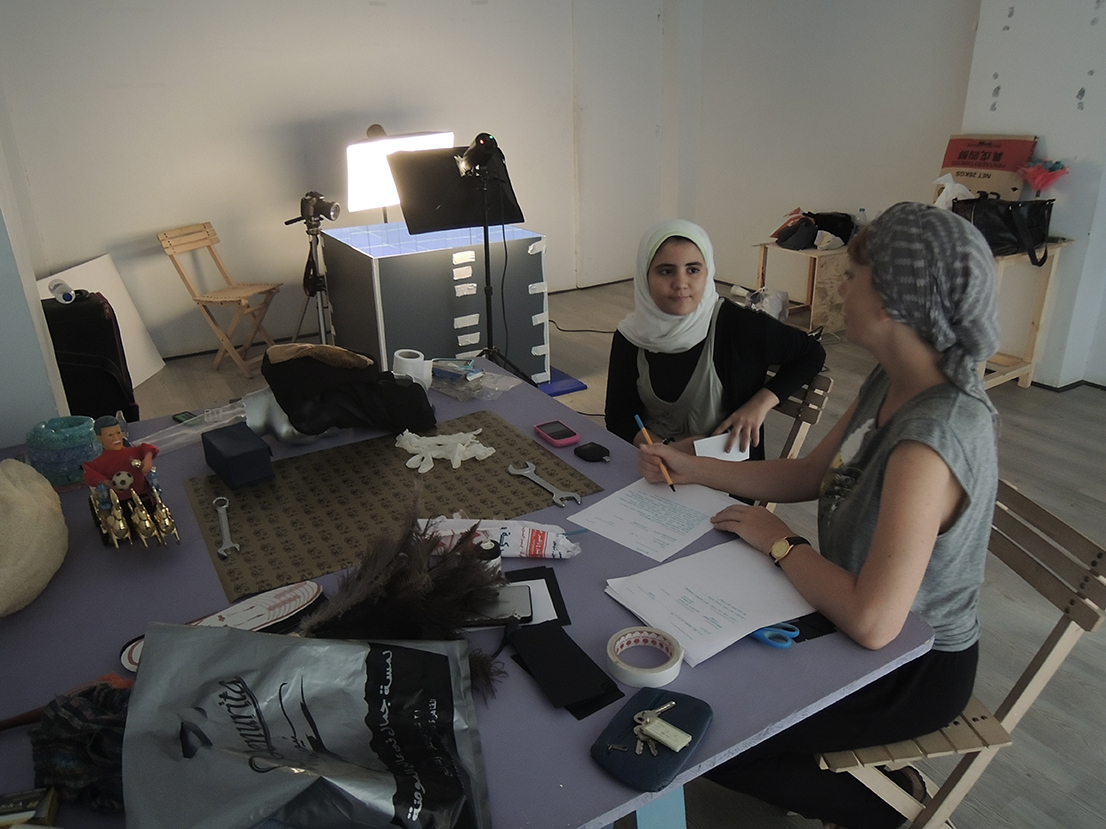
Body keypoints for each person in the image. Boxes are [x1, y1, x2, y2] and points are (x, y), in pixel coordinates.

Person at [638, 202, 1000, 829]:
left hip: (911, 667)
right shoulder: (892, 380)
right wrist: (693, 467)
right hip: (842, 615)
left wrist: (782, 544)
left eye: (853, 277)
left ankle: (892, 812)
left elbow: (875, 622)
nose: (839, 289)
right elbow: (812, 473)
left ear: (890, 304)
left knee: (706, 737)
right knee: (705, 685)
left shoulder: (930, 440)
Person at [605, 219, 825, 459]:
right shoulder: (632, 335)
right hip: (653, 464)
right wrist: (667, 451)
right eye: (666, 271)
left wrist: (759, 404)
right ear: (644, 276)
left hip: (726, 472)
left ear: (708, 272)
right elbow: (619, 418)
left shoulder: (739, 326)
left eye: (693, 270)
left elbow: (812, 352)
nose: (681, 284)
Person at [82, 415, 158, 501]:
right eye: (110, 435)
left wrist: (148, 459)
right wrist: (108, 483)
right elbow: (89, 472)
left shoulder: (133, 452)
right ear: (99, 438)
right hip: (118, 501)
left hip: (143, 495)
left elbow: (148, 448)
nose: (116, 438)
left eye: (118, 433)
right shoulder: (99, 462)